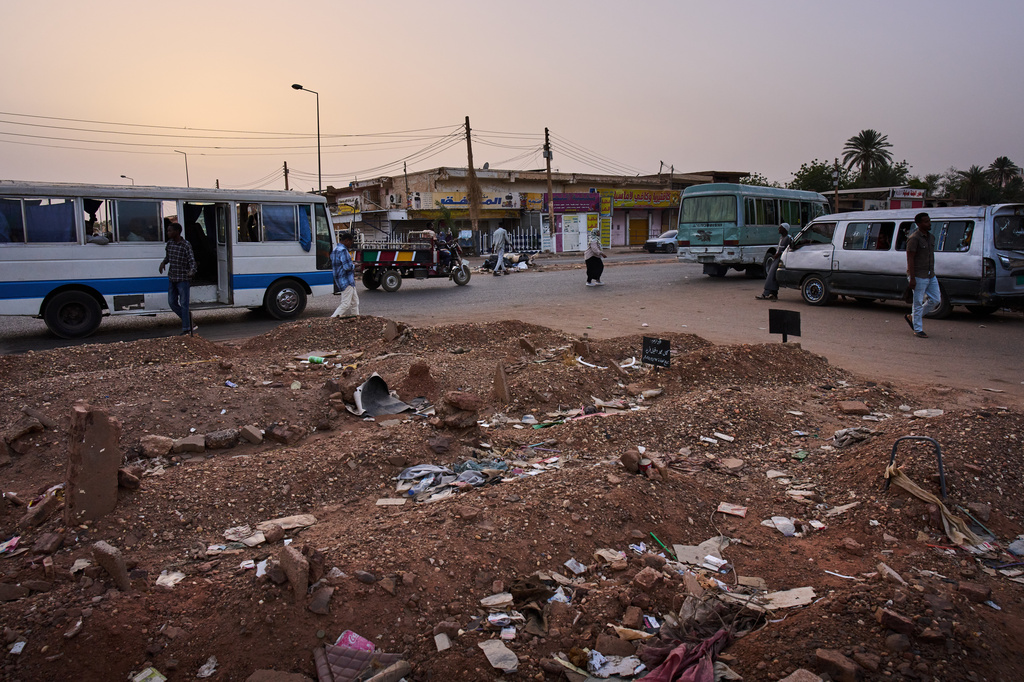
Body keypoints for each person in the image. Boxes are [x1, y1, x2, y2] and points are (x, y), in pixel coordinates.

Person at [159, 222, 197, 334]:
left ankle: (186, 328)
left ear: (177, 232)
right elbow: (168, 257)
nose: (168, 233)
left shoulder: (186, 245)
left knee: (184, 304)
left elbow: (192, 260)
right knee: (172, 303)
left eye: (170, 231)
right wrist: (163, 263)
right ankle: (189, 321)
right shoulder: (170, 243)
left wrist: (192, 271)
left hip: (183, 279)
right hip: (172, 278)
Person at [905, 212, 938, 338]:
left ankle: (912, 317)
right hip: (918, 275)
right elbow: (910, 259)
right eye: (925, 221)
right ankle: (918, 328)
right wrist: (912, 278)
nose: (929, 223)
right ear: (918, 224)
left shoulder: (931, 237)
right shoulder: (914, 239)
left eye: (929, 221)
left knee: (936, 299)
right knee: (918, 301)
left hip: (930, 274)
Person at [756, 223, 792, 300]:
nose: (778, 229)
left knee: (771, 275)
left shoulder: (788, 238)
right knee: (774, 276)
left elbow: (784, 250)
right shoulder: (782, 237)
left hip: (781, 259)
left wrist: (777, 255)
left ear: (785, 229)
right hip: (777, 258)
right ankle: (773, 294)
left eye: (780, 228)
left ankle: (765, 293)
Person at [330, 231, 360, 318]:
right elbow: (347, 267)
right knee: (346, 304)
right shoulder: (343, 251)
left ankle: (356, 319)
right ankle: (332, 319)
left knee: (355, 302)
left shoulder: (335, 250)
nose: (351, 245)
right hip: (346, 280)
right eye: (351, 242)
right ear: (346, 240)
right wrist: (355, 265)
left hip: (341, 280)